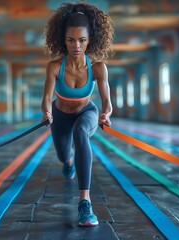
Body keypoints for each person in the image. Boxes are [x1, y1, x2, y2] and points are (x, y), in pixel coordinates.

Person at [41, 2, 114, 227]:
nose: (77, 45)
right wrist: (46, 111)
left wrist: (105, 114)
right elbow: (46, 97)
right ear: (63, 40)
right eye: (71, 40)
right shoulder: (54, 66)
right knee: (63, 155)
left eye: (82, 40)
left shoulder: (98, 68)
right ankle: (69, 161)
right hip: (60, 116)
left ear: (90, 39)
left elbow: (107, 103)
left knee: (80, 131)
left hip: (86, 112)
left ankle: (85, 203)